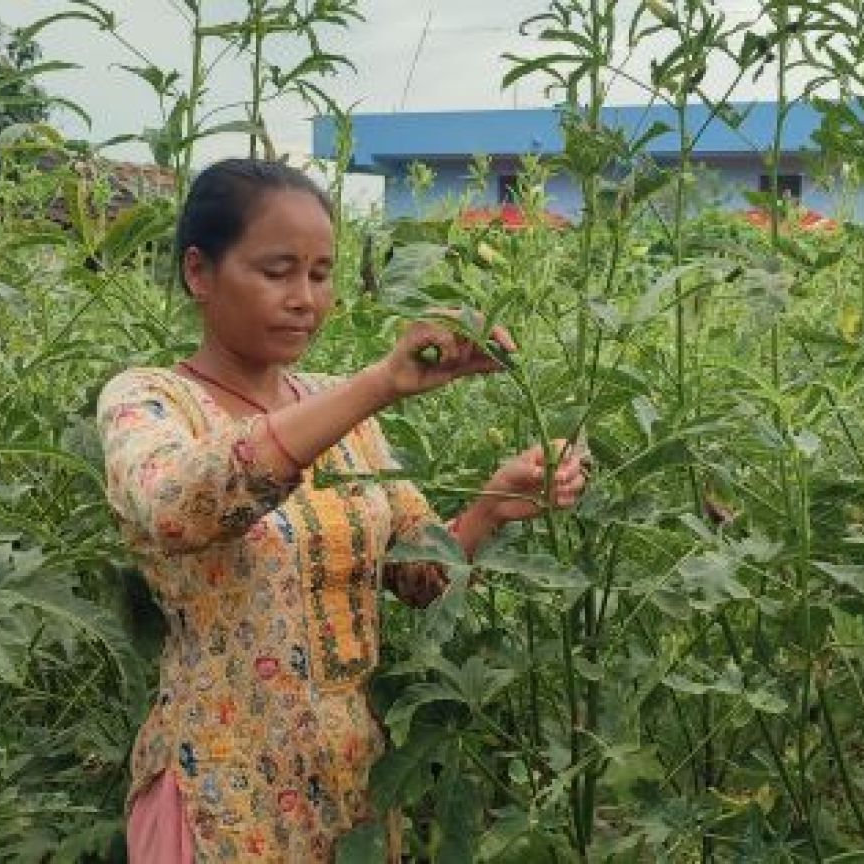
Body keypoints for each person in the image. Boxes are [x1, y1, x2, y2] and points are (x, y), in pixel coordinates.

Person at [97, 159, 586, 862]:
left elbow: (421, 578)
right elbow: (179, 507)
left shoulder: (345, 413)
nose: (305, 298)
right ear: (199, 273)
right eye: (277, 271)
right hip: (222, 798)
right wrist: (379, 384)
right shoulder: (149, 401)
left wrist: (493, 506)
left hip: (351, 788)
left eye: (321, 274)